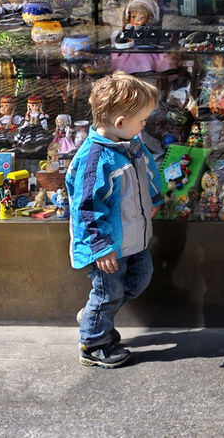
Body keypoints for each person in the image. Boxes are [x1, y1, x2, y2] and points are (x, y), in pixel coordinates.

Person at [66, 72, 166, 369]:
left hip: (133, 236)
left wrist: (155, 199)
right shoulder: (95, 158)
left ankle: (96, 315)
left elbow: (147, 174)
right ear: (120, 123)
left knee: (140, 277)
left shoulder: (131, 143)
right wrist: (100, 246)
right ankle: (94, 343)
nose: (144, 125)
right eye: (142, 120)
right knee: (109, 291)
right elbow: (86, 207)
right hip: (108, 245)